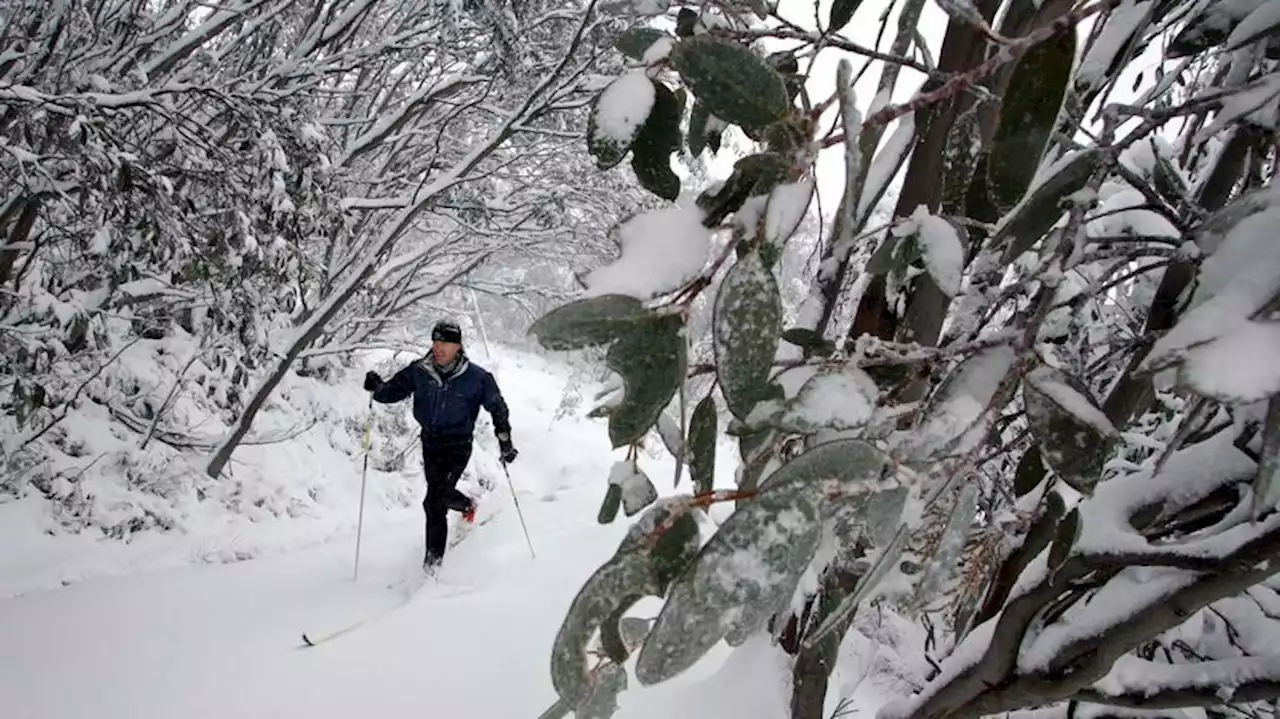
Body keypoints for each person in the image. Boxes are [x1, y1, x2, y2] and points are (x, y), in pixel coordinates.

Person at [362, 319, 518, 572]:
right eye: (436, 341)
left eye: (446, 342)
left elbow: (498, 409)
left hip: (458, 443)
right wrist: (377, 387)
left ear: (458, 346)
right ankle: (467, 505)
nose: (439, 347)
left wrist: (506, 443)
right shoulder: (419, 371)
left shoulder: (477, 378)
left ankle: (432, 566)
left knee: (434, 501)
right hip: (430, 442)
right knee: (437, 495)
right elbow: (392, 392)